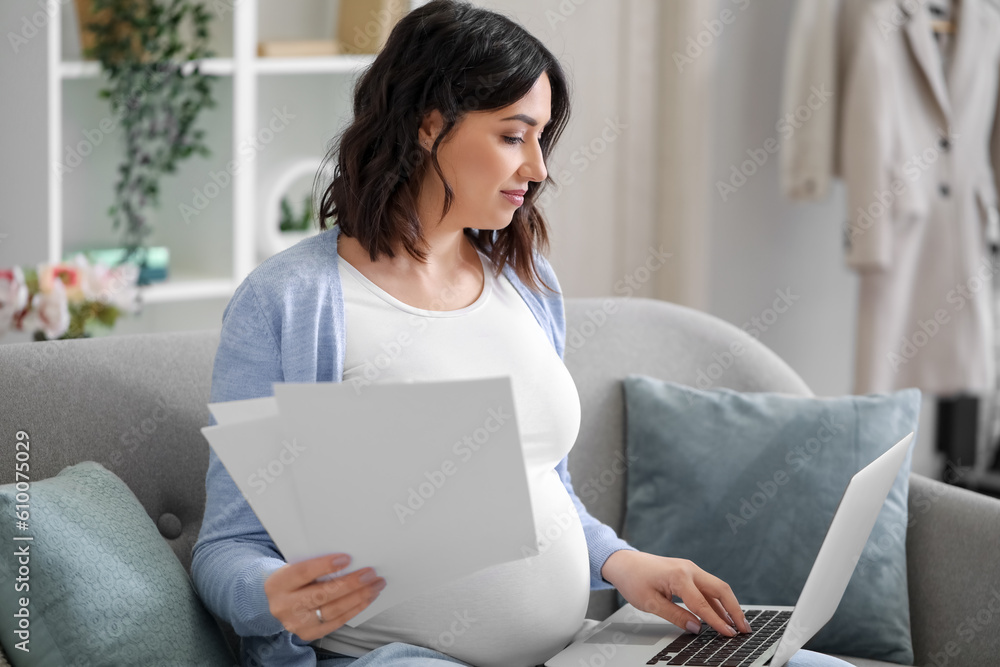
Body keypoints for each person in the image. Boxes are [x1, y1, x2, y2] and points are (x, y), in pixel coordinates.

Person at [191, 2, 855, 666]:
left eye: (542, 139)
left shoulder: (526, 278)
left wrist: (623, 562)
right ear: (428, 126)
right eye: (514, 136)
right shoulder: (289, 301)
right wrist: (269, 593)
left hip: (571, 648)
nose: (537, 168)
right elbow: (227, 547)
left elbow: (546, 489)